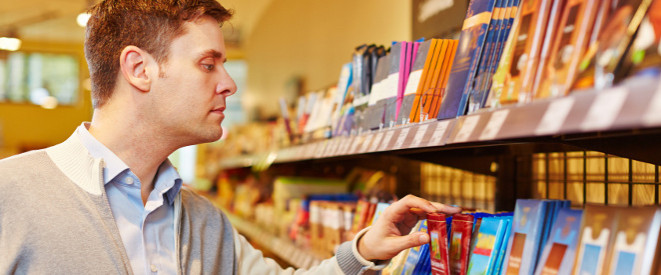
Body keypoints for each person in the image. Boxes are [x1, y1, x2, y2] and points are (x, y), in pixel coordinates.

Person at [0, 0, 461, 274]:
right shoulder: (11, 195)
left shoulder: (204, 222)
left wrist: (361, 251)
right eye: (208, 63)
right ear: (139, 69)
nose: (228, 83)